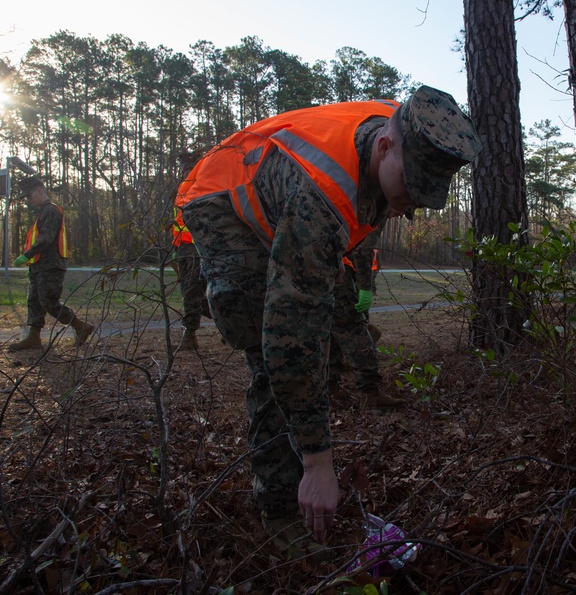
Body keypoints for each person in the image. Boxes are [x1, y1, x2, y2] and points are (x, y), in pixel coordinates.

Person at [177, 85, 480, 556]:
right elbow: (291, 331)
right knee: (268, 345)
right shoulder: (319, 196)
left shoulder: (403, 127)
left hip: (283, 196)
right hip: (220, 197)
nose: (414, 208)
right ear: (384, 147)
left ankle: (307, 426)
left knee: (322, 318)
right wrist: (320, 462)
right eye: (413, 187)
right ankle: (279, 506)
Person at [9, 176, 95, 350]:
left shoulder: (51, 211)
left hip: (51, 265)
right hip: (39, 265)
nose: (28, 200)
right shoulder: (43, 212)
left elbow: (46, 238)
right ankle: (34, 338)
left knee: (49, 302)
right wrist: (31, 261)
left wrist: (27, 255)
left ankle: (80, 326)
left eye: (29, 195)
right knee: (34, 300)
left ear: (40, 190)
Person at [328, 226, 396, 407]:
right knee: (352, 326)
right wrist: (365, 287)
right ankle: (370, 392)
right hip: (338, 271)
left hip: (338, 269)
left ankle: (330, 386)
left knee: (332, 327)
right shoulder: (372, 210)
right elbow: (363, 251)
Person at [171, 207, 210, 351]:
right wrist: (176, 246)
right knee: (191, 293)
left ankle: (189, 334)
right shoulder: (183, 187)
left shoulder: (201, 185)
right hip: (183, 246)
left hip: (197, 245)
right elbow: (178, 221)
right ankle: (230, 323)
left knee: (192, 290)